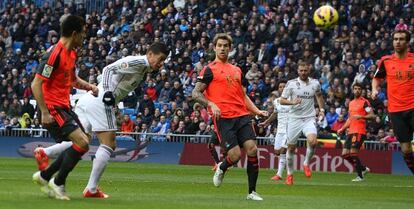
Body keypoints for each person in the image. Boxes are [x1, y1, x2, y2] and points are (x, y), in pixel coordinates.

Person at [34, 42, 169, 198]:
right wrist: (108, 93)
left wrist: (113, 102)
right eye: (160, 59)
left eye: (163, 61)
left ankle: (45, 154)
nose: (161, 64)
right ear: (150, 54)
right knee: (109, 143)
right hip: (100, 101)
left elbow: (116, 83)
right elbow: (108, 69)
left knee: (81, 140)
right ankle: (90, 189)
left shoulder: (144, 69)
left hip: (91, 100)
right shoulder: (139, 62)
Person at [192, 33, 268, 201]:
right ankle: (222, 167)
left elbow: (243, 95)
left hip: (242, 116)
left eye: (226, 46)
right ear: (214, 47)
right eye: (220, 45)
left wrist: (257, 111)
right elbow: (195, 93)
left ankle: (252, 192)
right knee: (235, 156)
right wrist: (211, 104)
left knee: (253, 149)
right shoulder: (209, 69)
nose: (223, 48)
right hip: (223, 118)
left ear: (230, 49)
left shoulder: (236, 70)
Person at [31, 15, 99, 200]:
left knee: (83, 140)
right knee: (82, 143)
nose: (85, 36)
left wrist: (90, 87)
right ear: (74, 34)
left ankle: (45, 176)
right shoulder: (54, 54)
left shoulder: (72, 53)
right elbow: (36, 84)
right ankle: (58, 182)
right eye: (83, 33)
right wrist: (44, 112)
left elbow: (73, 80)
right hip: (52, 108)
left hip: (64, 106)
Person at [372, 29, 414, 174]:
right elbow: (377, 78)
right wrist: (374, 89)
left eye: (401, 39)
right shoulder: (386, 61)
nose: (398, 42)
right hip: (396, 110)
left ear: (407, 42)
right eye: (395, 39)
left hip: (413, 106)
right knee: (406, 149)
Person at [280, 62, 325, 185]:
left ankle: (306, 163)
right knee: (291, 147)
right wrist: (293, 102)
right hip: (294, 118)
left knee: (313, 141)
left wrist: (321, 110)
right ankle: (289, 174)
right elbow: (282, 100)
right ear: (298, 71)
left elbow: (319, 96)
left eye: (305, 70)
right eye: (301, 70)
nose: (303, 72)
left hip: (309, 118)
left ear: (308, 70)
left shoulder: (315, 83)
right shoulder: (291, 84)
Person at [337, 82, 375, 181]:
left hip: (359, 131)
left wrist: (361, 116)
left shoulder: (365, 102)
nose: (357, 90)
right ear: (353, 90)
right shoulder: (351, 103)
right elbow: (350, 119)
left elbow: (372, 115)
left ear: (361, 90)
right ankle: (363, 169)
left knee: (353, 153)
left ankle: (360, 176)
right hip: (350, 131)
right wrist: (342, 128)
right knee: (345, 154)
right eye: (355, 88)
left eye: (359, 89)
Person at [259, 81, 290, 181]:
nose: (282, 88)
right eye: (280, 87)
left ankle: (279, 174)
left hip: (289, 129)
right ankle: (289, 157)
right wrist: (266, 123)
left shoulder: (292, 100)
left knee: (283, 151)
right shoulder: (276, 101)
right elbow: (274, 114)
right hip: (280, 130)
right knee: (277, 152)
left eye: (284, 87)